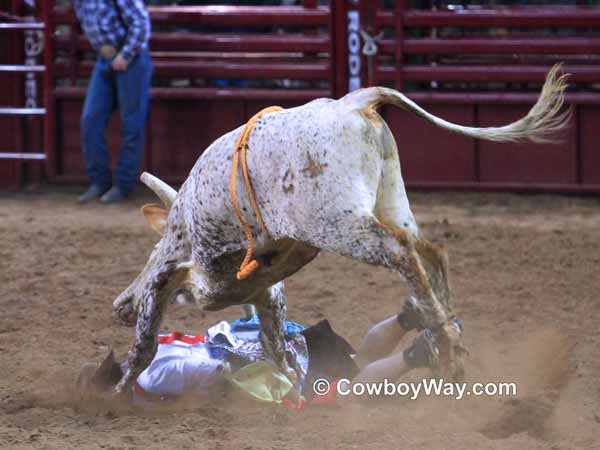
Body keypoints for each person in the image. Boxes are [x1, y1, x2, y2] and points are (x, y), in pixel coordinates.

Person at [79, 299, 462, 406]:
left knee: (346, 393)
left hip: (260, 365)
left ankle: (417, 355)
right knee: (353, 363)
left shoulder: (151, 377)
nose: (125, 359)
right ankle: (407, 317)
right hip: (258, 341)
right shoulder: (152, 346)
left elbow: (211, 373)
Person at [74, 0, 153, 204]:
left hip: (130, 59)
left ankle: (123, 185)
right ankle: (100, 182)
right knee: (90, 120)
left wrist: (125, 55)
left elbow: (141, 21)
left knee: (131, 125)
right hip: (106, 58)